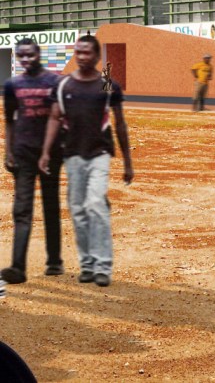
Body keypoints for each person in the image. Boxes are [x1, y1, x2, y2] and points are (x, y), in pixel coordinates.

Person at [39, 35, 134, 287]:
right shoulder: (64, 85)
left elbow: (119, 122)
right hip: (73, 155)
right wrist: (46, 152)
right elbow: (53, 119)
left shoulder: (106, 85)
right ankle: (88, 264)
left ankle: (103, 265)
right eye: (78, 52)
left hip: (100, 153)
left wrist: (127, 162)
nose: (82, 57)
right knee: (78, 211)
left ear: (96, 56)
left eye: (87, 53)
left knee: (96, 206)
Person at [2, 38, 64, 283]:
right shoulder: (12, 85)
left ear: (38, 54)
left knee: (51, 206)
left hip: (50, 154)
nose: (25, 59)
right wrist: (8, 152)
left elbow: (61, 118)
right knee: (22, 210)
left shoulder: (54, 82)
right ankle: (17, 267)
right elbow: (9, 120)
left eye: (29, 54)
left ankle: (55, 262)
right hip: (24, 154)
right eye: (21, 56)